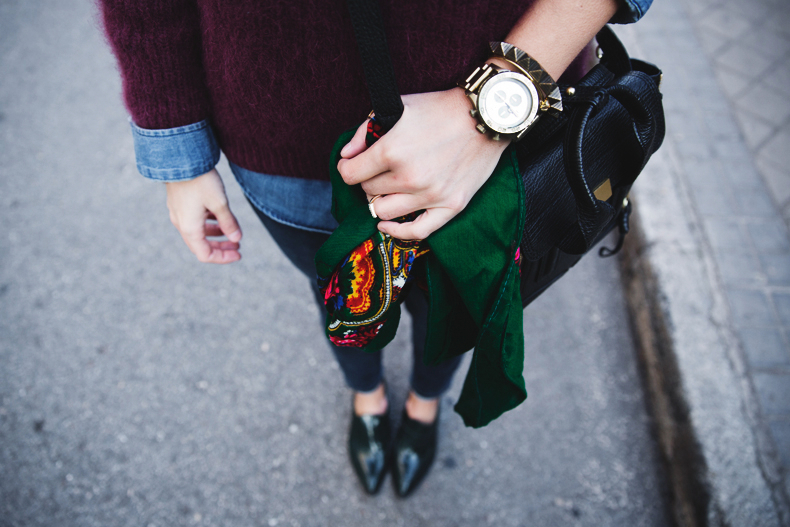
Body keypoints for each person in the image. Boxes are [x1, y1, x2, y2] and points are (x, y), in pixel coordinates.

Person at [99, 0, 652, 497]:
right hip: (284, 139)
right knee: (343, 293)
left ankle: (424, 400)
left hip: (500, 140)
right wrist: (173, 137)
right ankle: (368, 394)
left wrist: (488, 107)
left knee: (459, 295)